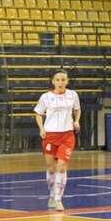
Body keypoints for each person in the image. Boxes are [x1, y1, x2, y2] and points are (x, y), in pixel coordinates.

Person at [34, 69, 80, 212]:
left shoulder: (73, 95)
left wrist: (76, 121)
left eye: (63, 80)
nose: (60, 82)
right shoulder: (46, 97)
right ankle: (52, 195)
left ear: (67, 81)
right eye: (58, 80)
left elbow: (77, 109)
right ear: (53, 81)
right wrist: (41, 128)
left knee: (61, 166)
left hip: (67, 135)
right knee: (51, 167)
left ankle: (59, 199)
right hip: (50, 135)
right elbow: (38, 114)